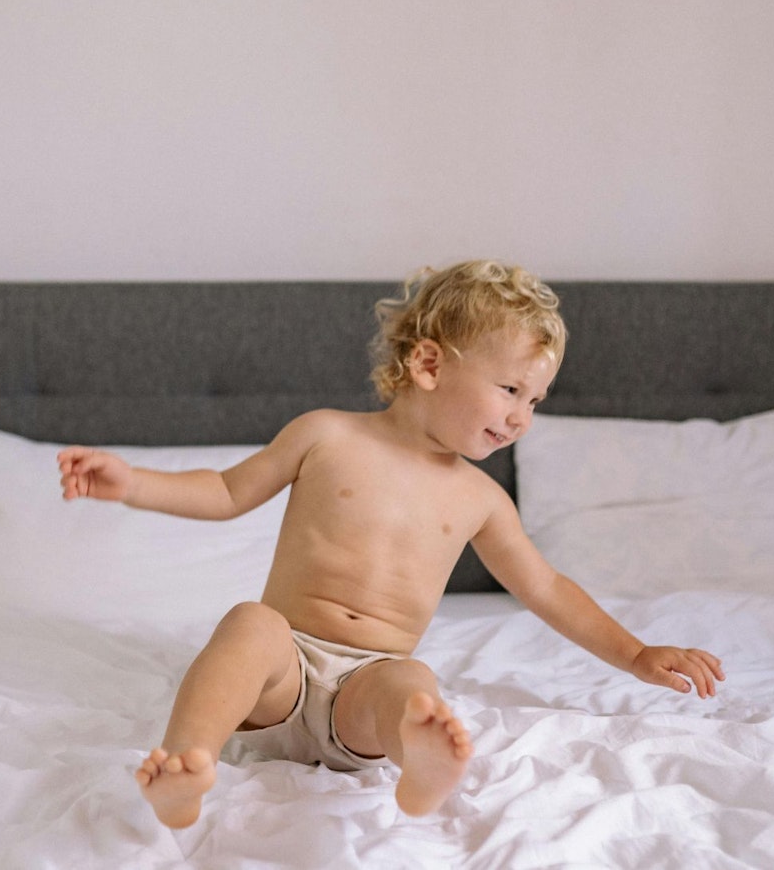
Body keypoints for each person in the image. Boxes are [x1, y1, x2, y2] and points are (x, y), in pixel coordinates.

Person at [57, 260, 725, 829]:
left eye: (537, 398)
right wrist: (133, 483)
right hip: (280, 675)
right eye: (511, 388)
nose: (523, 416)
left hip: (362, 692)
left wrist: (636, 652)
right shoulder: (326, 435)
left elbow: (546, 588)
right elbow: (229, 491)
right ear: (429, 362)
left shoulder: (482, 500)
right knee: (250, 622)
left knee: (412, 684)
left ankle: (420, 768)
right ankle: (185, 766)